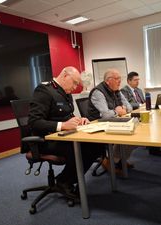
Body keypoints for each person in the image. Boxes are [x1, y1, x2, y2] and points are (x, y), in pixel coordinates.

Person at [28, 66, 105, 197]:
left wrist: (78, 120)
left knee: (97, 145)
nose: (76, 87)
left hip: (65, 136)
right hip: (46, 140)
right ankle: (64, 182)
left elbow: (67, 115)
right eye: (74, 82)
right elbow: (34, 122)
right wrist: (62, 125)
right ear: (64, 75)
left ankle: (66, 180)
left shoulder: (65, 93)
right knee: (84, 149)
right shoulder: (44, 90)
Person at [87, 68, 133, 175]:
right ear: (108, 81)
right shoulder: (98, 92)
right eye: (116, 78)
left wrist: (122, 110)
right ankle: (111, 161)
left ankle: (120, 161)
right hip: (98, 125)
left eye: (120, 78)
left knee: (134, 131)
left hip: (113, 122)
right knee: (127, 136)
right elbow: (105, 114)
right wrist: (117, 111)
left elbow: (129, 107)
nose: (119, 81)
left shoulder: (116, 90)